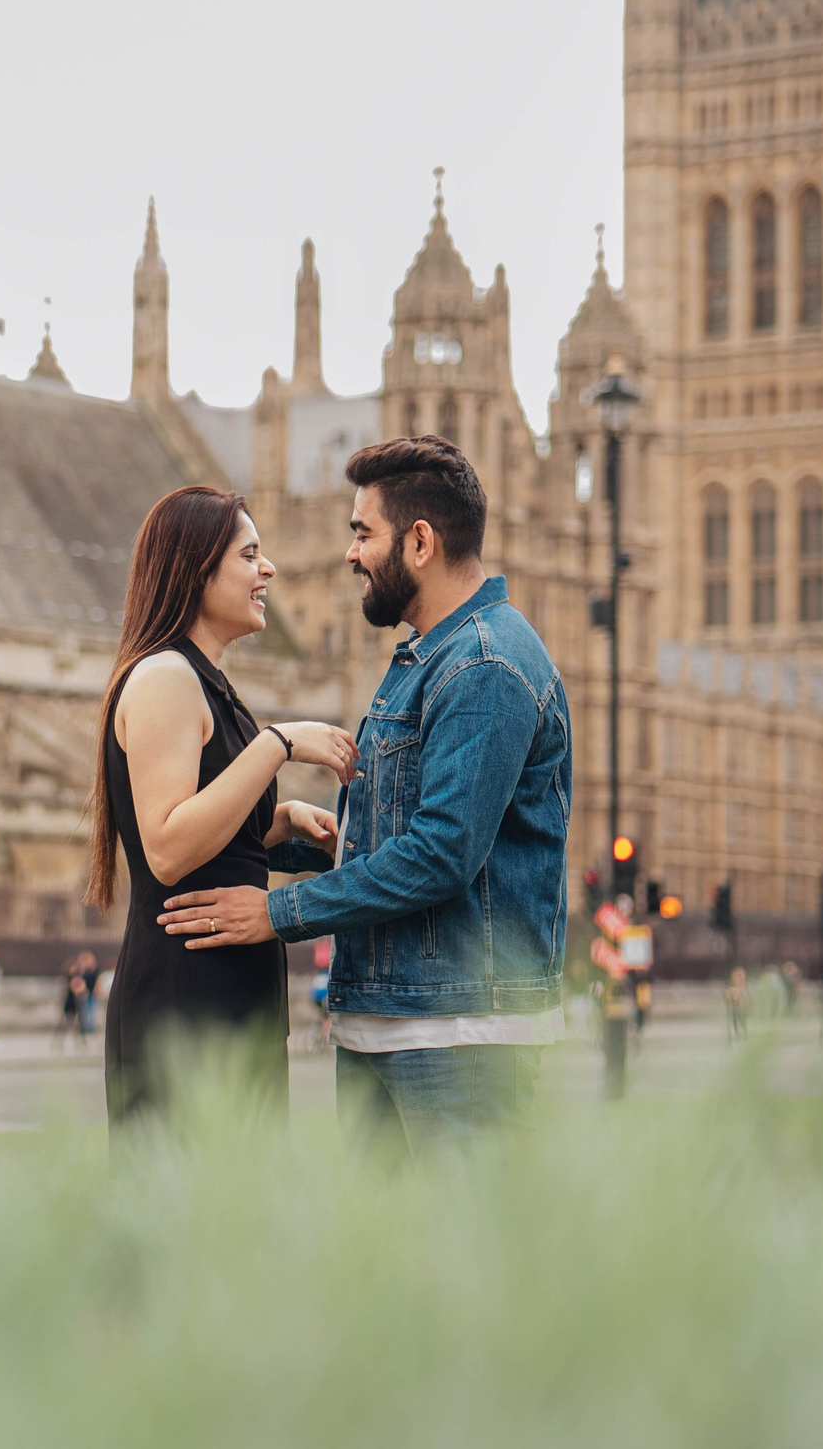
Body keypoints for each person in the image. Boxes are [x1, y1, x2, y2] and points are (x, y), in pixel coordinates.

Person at [159, 439, 569, 1158]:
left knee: (462, 1261)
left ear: (419, 542)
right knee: (386, 1267)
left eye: (361, 532)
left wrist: (276, 912)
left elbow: (442, 853)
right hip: (390, 1019)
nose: (349, 554)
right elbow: (408, 835)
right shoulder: (426, 654)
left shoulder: (485, 662)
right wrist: (311, 839)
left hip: (458, 1033)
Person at [93, 484, 357, 1134]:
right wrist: (280, 744)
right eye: (249, 554)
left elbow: (214, 828)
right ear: (197, 567)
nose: (267, 569)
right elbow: (169, 844)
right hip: (186, 1000)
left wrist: (285, 819)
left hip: (230, 994)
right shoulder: (166, 678)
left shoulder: (209, 683)